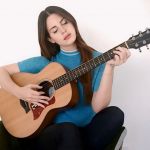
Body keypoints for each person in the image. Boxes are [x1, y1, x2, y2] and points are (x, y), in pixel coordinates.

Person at [0, 6, 131, 150]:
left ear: (73, 23)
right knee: (68, 130)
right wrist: (20, 92)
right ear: (50, 39)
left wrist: (110, 68)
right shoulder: (46, 62)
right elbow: (2, 71)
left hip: (86, 132)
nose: (63, 30)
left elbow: (98, 107)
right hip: (51, 134)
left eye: (65, 23)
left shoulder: (100, 60)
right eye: (55, 30)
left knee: (115, 114)